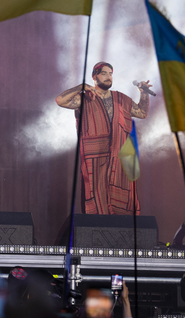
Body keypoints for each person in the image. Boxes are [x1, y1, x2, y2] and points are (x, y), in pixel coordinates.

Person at [55, 62, 152, 215]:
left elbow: (142, 113)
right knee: (97, 203)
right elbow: (60, 101)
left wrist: (144, 93)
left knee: (123, 205)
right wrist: (81, 87)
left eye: (110, 74)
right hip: (95, 160)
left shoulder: (121, 99)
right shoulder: (85, 98)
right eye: (104, 73)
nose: (108, 77)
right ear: (94, 76)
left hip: (120, 159)